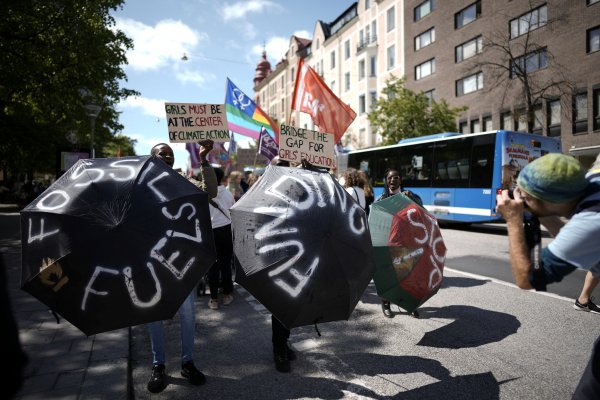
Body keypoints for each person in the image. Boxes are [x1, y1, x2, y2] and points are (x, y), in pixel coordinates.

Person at [496, 153, 600, 399]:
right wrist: (540, 212)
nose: (523, 199)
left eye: (527, 196)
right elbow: (571, 236)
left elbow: (527, 278)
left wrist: (513, 221)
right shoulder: (591, 179)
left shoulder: (591, 221)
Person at [145, 140, 217, 394]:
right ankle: (158, 365)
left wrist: (204, 159)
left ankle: (187, 362)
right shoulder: (139, 183)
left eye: (170, 155)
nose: (167, 157)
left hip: (180, 261)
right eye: (162, 154)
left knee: (187, 315)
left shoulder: (182, 180)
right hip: (151, 261)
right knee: (154, 316)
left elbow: (210, 192)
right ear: (152, 157)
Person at [376, 169, 423, 319]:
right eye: (390, 178)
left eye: (396, 177)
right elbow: (375, 219)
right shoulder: (381, 198)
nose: (393, 180)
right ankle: (386, 304)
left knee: (408, 275)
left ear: (400, 180)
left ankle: (411, 304)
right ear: (386, 180)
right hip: (388, 242)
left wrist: (413, 199)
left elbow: (421, 211)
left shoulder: (409, 196)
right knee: (388, 276)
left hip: (406, 241)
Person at [207, 167, 235, 310]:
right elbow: (233, 210)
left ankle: (213, 299)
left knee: (212, 266)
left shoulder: (204, 194)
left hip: (211, 232)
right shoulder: (228, 193)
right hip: (226, 231)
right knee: (226, 265)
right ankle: (227, 295)